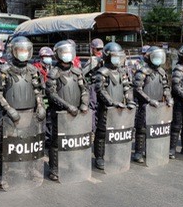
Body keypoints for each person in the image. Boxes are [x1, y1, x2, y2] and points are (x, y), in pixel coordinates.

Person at [0, 36, 46, 190]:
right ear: (13, 51)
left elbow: (37, 91)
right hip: (10, 116)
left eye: (26, 50)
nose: (23, 53)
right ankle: (5, 175)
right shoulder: (4, 71)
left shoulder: (33, 70)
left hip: (29, 113)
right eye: (20, 50)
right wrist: (9, 110)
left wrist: (41, 106)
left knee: (28, 143)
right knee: (8, 146)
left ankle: (29, 170)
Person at [45, 40, 89, 180]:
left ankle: (73, 164)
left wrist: (84, 103)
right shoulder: (54, 73)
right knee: (56, 142)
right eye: (64, 53)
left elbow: (84, 90)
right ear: (58, 55)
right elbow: (52, 94)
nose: (67, 56)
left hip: (76, 112)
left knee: (74, 139)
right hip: (59, 113)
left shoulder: (77, 72)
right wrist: (67, 106)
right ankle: (54, 168)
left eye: (69, 53)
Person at [93, 42, 135, 170]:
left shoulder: (121, 71)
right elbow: (100, 90)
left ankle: (114, 155)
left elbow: (127, 88)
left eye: (119, 56)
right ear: (107, 56)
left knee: (117, 132)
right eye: (114, 56)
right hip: (106, 108)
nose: (117, 59)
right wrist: (111, 102)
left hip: (119, 107)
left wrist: (129, 100)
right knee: (102, 133)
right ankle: (99, 157)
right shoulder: (102, 72)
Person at [132, 46, 173, 162]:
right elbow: (137, 89)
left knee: (155, 129)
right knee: (142, 129)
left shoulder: (162, 72)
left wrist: (169, 98)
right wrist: (149, 100)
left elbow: (165, 87)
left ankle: (151, 150)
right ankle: (139, 153)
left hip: (159, 105)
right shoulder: (143, 71)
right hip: (145, 105)